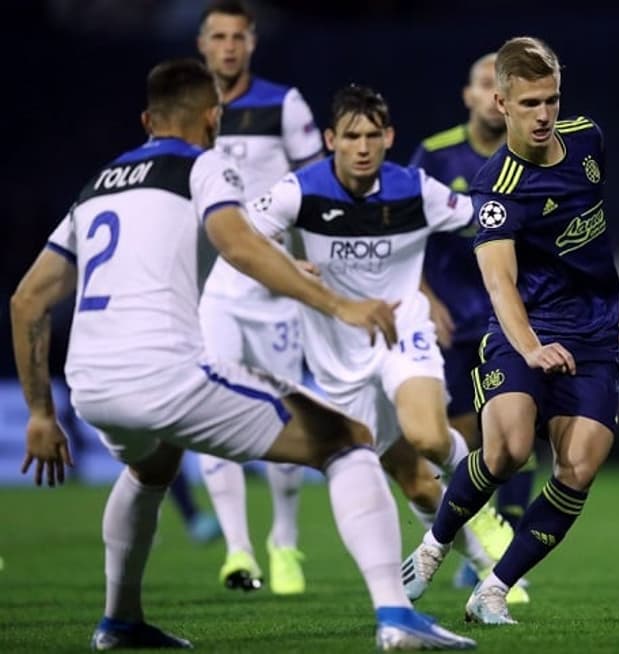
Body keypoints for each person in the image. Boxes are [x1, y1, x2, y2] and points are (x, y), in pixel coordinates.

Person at [10, 58, 474, 651]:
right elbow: (238, 245)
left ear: (147, 120)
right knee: (349, 439)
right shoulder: (207, 165)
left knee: (150, 469)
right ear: (213, 117)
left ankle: (120, 621)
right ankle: (396, 616)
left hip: (92, 385)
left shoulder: (100, 183)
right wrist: (340, 305)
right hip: (168, 375)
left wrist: (41, 413)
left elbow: (27, 301)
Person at [401, 36, 619, 625]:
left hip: (590, 336)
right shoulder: (496, 187)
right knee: (508, 449)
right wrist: (532, 348)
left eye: (552, 101)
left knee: (579, 468)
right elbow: (500, 284)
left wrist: (613, 301)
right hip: (524, 331)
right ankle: (436, 543)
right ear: (502, 101)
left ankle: (494, 588)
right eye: (531, 103)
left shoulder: (589, 138)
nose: (544, 115)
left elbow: (592, 232)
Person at [248, 83, 522, 599]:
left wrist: (554, 227)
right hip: (337, 354)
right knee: (416, 482)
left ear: (389, 137)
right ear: (331, 139)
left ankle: (483, 514)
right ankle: (487, 563)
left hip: (404, 332)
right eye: (352, 136)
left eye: (374, 135)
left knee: (430, 437)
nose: (363, 146)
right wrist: (286, 262)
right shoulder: (297, 191)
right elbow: (241, 236)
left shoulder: (414, 188)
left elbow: (485, 219)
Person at [195, 0, 324, 595]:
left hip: (277, 289)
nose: (227, 47)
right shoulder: (187, 109)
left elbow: (320, 190)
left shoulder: (283, 103)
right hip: (217, 288)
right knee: (212, 412)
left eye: (236, 37)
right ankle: (238, 550)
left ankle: (285, 540)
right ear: (202, 44)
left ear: (251, 44)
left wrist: (310, 265)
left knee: (281, 417)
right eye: (217, 36)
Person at [409, 53, 535, 590]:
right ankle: (478, 544)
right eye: (484, 84)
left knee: (518, 433)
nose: (491, 95)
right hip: (452, 323)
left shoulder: (532, 157)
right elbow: (400, 233)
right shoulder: (435, 157)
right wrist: (422, 295)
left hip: (510, 318)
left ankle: (501, 552)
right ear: (470, 96)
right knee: (464, 440)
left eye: (499, 86)